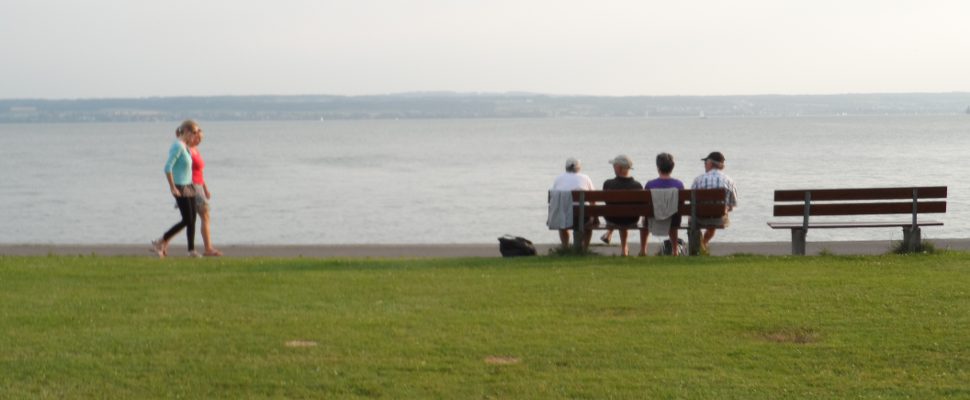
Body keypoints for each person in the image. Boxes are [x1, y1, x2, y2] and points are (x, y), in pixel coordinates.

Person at [152, 120, 201, 258]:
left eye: (197, 132)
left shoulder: (185, 147)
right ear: (186, 131)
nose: (196, 135)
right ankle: (160, 241)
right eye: (194, 132)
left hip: (189, 185)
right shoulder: (178, 146)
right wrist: (173, 187)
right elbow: (168, 167)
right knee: (187, 220)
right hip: (179, 186)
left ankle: (191, 250)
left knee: (193, 218)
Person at [690, 151, 739, 251]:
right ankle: (703, 243)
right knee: (716, 216)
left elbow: (692, 202)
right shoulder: (729, 180)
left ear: (710, 163)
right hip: (718, 218)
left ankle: (699, 246)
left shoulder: (698, 180)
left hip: (699, 217)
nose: (704, 165)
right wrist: (725, 208)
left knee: (693, 216)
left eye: (705, 163)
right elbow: (733, 203)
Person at [640, 152, 685, 256]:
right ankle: (675, 251)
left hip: (653, 219)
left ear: (658, 167)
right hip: (673, 220)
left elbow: (645, 205)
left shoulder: (650, 184)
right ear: (672, 167)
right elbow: (681, 204)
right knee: (673, 217)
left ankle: (643, 250)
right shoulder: (679, 184)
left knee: (645, 219)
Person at [548, 157, 595, 250]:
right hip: (583, 217)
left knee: (562, 219)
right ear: (579, 168)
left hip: (564, 216)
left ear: (566, 167)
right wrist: (593, 215)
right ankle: (585, 248)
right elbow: (592, 198)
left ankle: (565, 247)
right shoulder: (585, 178)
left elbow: (554, 198)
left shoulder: (559, 178)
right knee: (588, 224)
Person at [188, 129, 223, 257]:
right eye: (198, 138)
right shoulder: (187, 151)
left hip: (199, 185)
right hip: (191, 186)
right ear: (192, 136)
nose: (199, 141)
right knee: (204, 214)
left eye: (201, 139)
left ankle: (163, 242)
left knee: (192, 218)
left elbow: (200, 173)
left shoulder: (196, 151)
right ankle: (208, 248)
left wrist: (206, 188)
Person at [601, 155, 642, 256]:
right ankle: (624, 249)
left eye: (614, 166)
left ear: (618, 168)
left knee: (616, 212)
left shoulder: (608, 184)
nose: (613, 167)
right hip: (631, 219)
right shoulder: (637, 186)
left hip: (612, 219)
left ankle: (609, 233)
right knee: (623, 215)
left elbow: (607, 202)